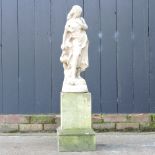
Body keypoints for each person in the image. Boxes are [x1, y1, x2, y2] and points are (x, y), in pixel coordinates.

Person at [60, 5, 89, 86]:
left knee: (81, 58)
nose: (79, 14)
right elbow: (65, 34)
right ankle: (72, 76)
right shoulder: (69, 22)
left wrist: (83, 26)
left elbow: (86, 27)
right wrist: (63, 43)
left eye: (80, 13)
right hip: (75, 41)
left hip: (83, 41)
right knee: (75, 56)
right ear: (74, 12)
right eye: (78, 12)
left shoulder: (81, 19)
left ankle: (77, 75)